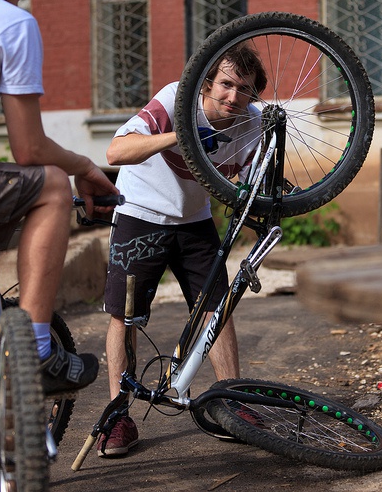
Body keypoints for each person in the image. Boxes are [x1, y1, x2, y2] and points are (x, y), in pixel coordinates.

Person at [98, 42, 267, 456]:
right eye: (225, 84)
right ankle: (118, 416)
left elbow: (250, 184)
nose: (233, 97)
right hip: (141, 212)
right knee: (126, 316)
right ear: (206, 83)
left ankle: (232, 401)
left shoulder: (254, 122)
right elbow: (116, 151)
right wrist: (183, 136)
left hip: (194, 221)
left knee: (216, 307)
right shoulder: (176, 99)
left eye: (244, 89)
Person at [0, 0, 119, 395]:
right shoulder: (12, 24)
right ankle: (39, 349)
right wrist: (85, 167)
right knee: (48, 180)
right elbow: (28, 148)